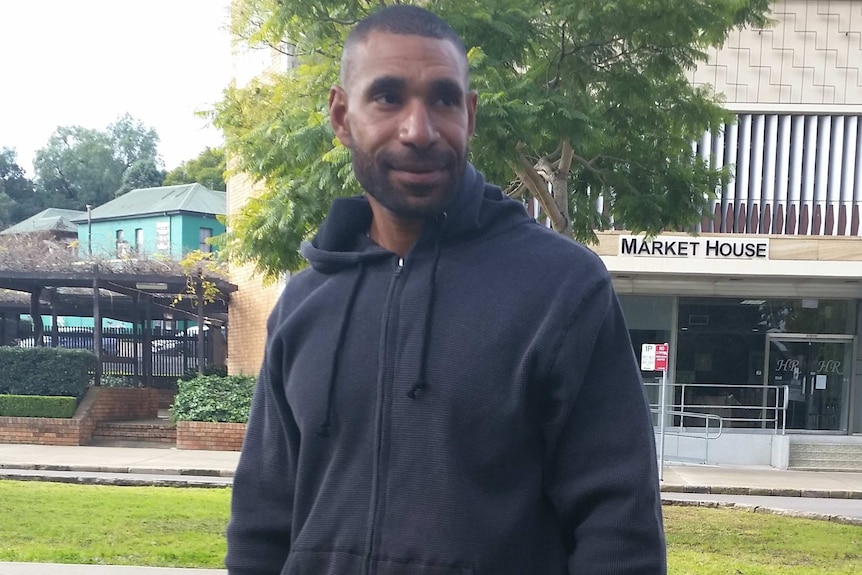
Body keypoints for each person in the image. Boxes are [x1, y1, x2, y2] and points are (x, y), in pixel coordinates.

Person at [226, 5, 666, 574]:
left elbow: (619, 527)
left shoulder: (562, 287)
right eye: (387, 97)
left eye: (443, 99)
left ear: (471, 113)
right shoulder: (306, 301)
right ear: (341, 115)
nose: (419, 130)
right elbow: (262, 520)